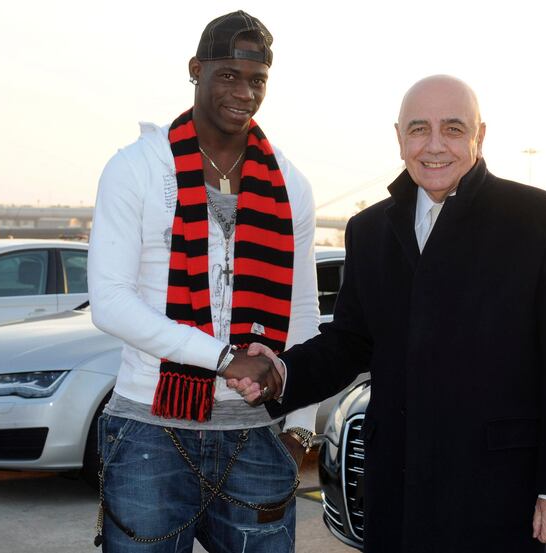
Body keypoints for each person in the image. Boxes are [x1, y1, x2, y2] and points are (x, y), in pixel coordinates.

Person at [231, 75, 546, 552]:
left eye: (453, 128)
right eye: (420, 129)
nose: (435, 145)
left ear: (479, 136)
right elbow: (350, 342)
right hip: (398, 491)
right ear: (400, 137)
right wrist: (281, 371)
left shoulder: (543, 221)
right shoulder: (370, 230)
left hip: (500, 494)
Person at [87, 10, 319, 552]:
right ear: (196, 69)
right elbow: (111, 304)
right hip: (150, 427)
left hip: (261, 433)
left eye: (257, 79)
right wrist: (222, 358)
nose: (244, 91)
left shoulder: (290, 184)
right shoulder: (138, 167)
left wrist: (300, 429)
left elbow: (303, 312)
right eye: (229, 75)